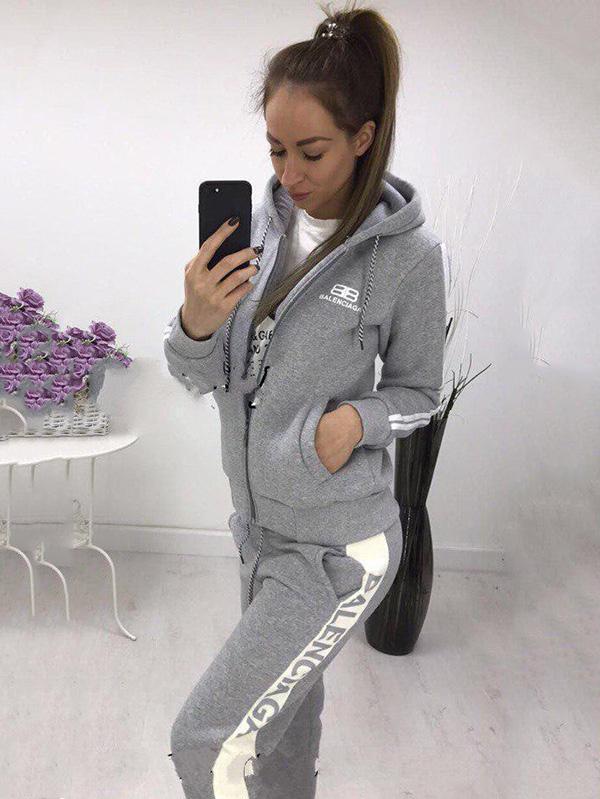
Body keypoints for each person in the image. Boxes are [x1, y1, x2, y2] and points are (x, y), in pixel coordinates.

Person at [162, 3, 447, 797]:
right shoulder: (253, 231)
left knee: (205, 742)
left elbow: (421, 391)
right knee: (281, 733)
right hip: (258, 534)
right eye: (276, 149)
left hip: (338, 549)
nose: (288, 173)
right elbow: (195, 373)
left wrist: (359, 419)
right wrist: (195, 321)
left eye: (311, 151)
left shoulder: (409, 257)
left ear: (363, 137)